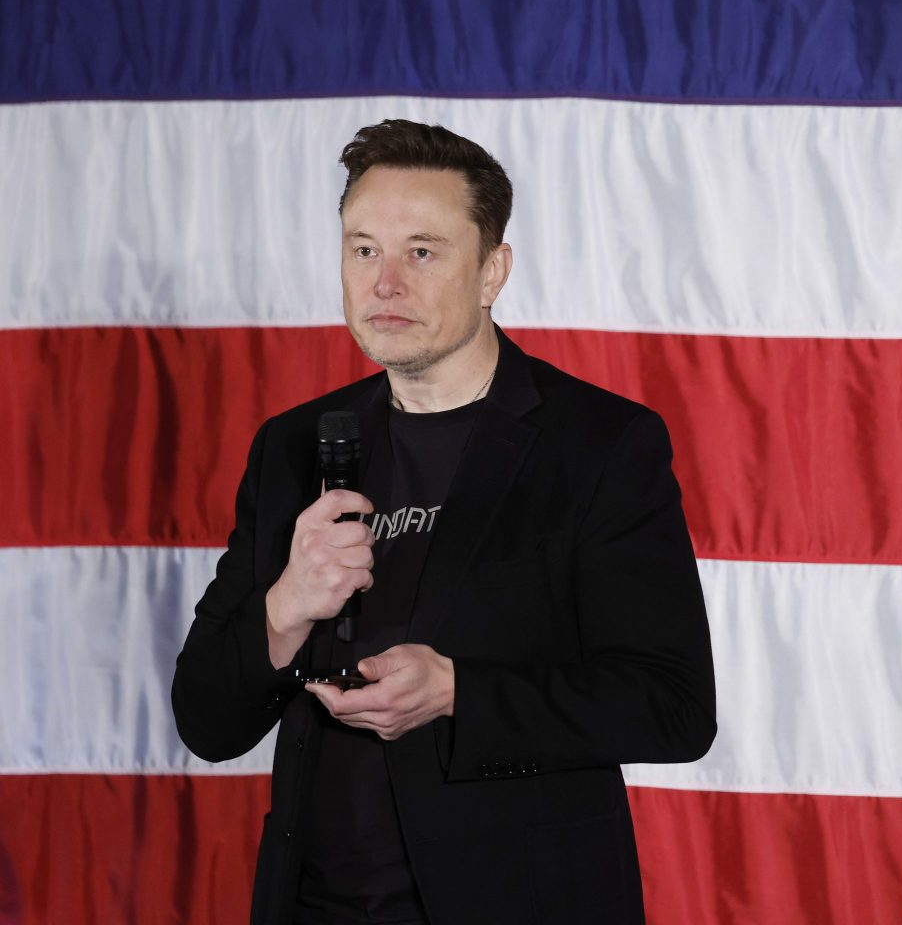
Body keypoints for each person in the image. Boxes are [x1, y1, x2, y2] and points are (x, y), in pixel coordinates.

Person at [171, 119, 717, 925]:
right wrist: (285, 607)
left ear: (492, 271)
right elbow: (207, 722)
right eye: (364, 249)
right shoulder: (293, 445)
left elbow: (673, 708)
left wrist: (459, 692)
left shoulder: (599, 444)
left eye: (422, 252)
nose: (385, 283)